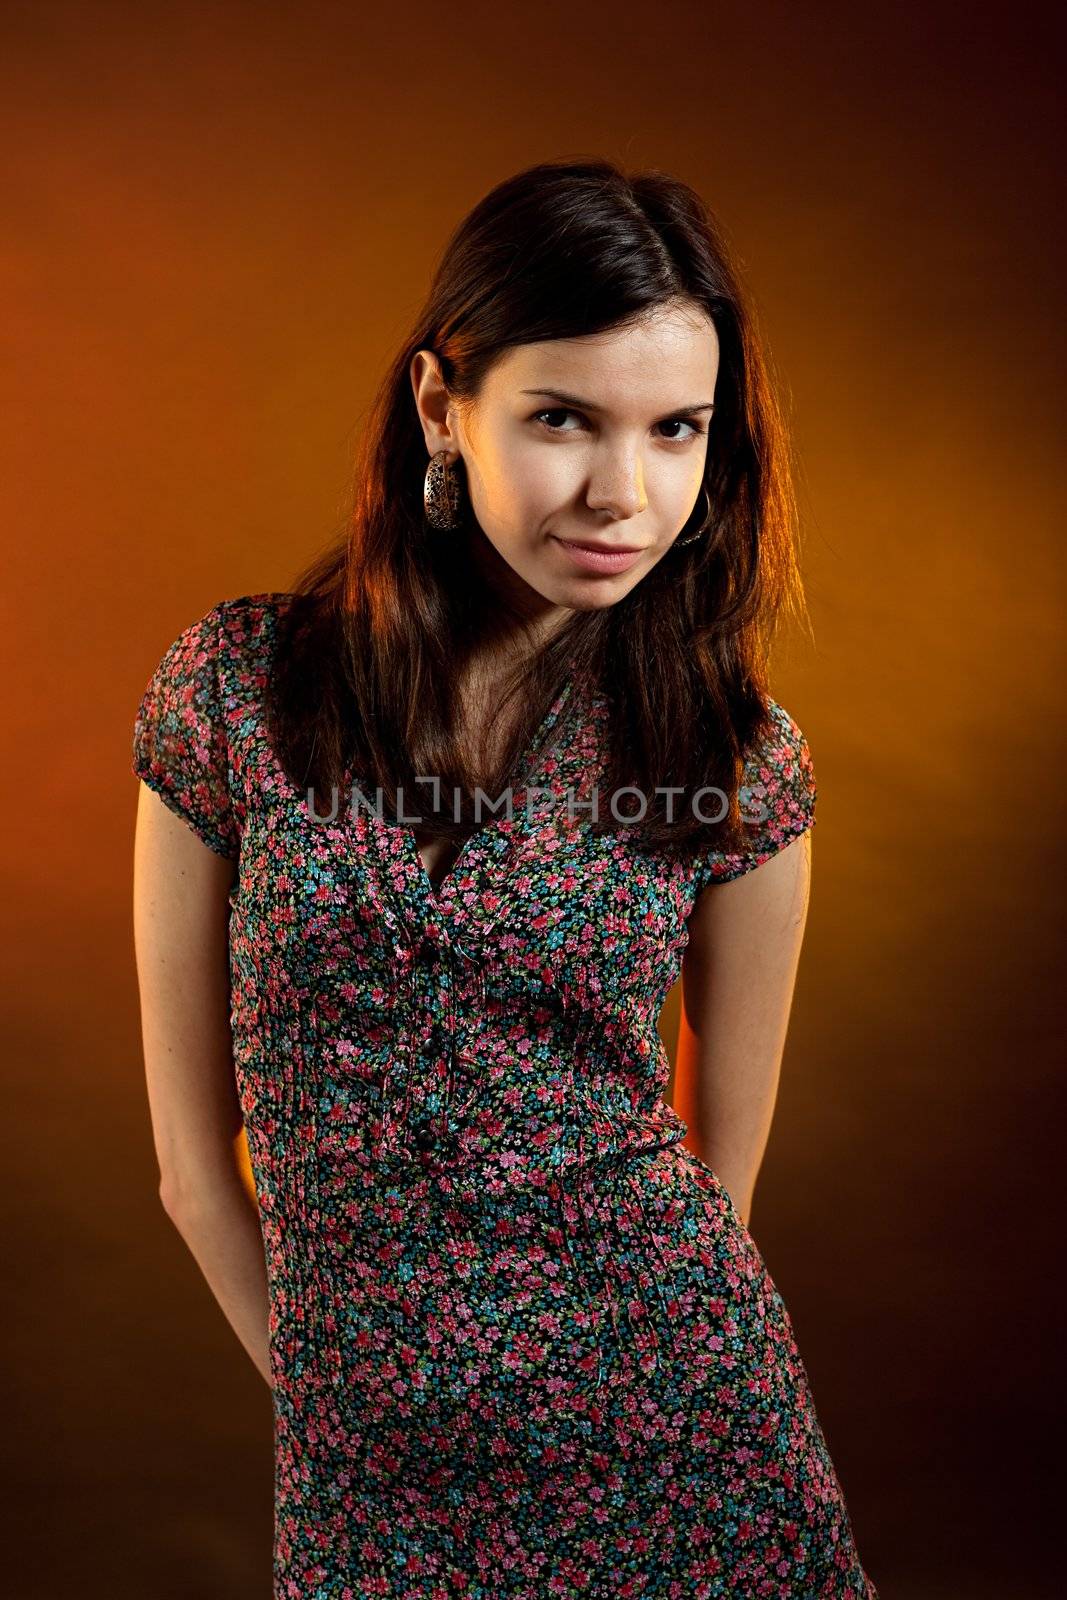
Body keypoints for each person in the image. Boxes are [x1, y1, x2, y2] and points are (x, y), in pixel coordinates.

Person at [131, 158, 879, 1598]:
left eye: (678, 430)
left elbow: (718, 1192)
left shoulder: (728, 753)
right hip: (372, 1461)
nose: (626, 491)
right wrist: (350, 1407)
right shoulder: (235, 693)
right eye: (561, 420)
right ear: (439, 408)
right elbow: (189, 1171)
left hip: (682, 1430)